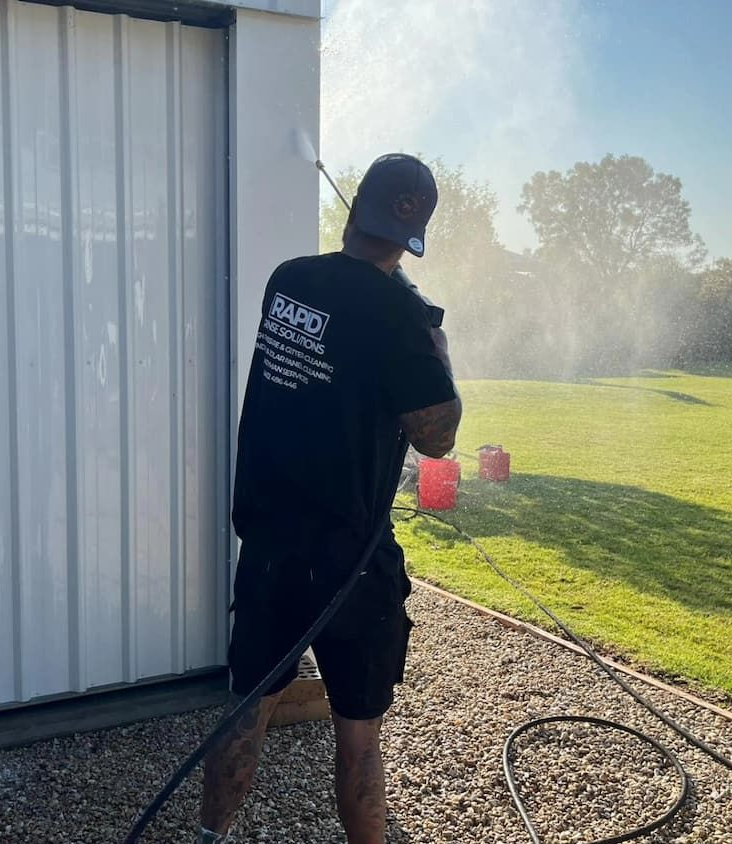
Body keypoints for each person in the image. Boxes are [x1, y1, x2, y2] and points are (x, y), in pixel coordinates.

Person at [198, 154, 461, 844]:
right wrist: (437, 347)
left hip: (270, 550)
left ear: (352, 214)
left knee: (244, 715)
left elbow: (340, 329)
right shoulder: (405, 319)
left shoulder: (291, 280)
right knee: (358, 738)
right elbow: (438, 436)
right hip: (353, 563)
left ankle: (210, 838)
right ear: (412, 236)